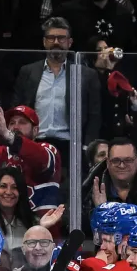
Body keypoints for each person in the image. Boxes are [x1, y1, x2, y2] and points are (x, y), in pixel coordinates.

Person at [11, 17, 101, 167]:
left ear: (69, 42)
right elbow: (17, 107)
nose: (56, 42)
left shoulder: (86, 74)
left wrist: (87, 148)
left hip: (70, 146)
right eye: (51, 38)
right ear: (44, 42)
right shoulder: (28, 71)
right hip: (35, 143)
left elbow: (94, 115)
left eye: (61, 38)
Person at [0, 105, 64, 214]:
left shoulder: (48, 149)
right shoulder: (1, 152)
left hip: (44, 227)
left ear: (35, 130)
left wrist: (7, 134)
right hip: (9, 226)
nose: (15, 127)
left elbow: (40, 159)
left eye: (22, 122)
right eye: (12, 123)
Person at [56, 0, 136, 51]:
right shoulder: (68, 11)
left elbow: (129, 53)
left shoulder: (123, 15)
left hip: (115, 69)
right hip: (79, 68)